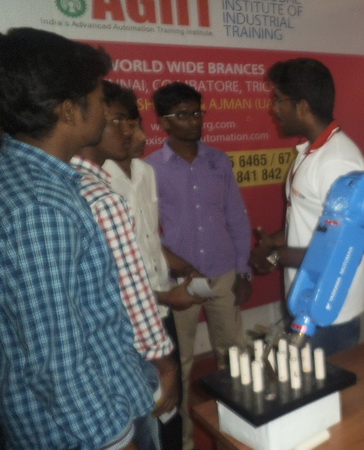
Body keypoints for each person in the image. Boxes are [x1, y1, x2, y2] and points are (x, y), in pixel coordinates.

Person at [0, 27, 151, 449]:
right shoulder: (40, 208)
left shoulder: (32, 180)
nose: (104, 111)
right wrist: (114, 440)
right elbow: (57, 360)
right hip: (85, 431)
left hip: (104, 399)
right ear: (69, 110)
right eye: (100, 99)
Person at [145, 81, 252, 450]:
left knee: (233, 357)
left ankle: (237, 432)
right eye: (183, 115)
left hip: (223, 272)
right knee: (183, 364)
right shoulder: (151, 168)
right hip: (181, 283)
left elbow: (236, 216)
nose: (194, 121)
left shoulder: (218, 161)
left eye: (197, 112)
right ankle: (186, 442)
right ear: (164, 122)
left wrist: (243, 271)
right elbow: (147, 231)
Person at [103, 85, 208, 450]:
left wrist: (185, 267)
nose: (136, 133)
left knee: (170, 404)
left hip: (161, 312)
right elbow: (110, 271)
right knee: (146, 407)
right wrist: (164, 296)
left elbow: (150, 241)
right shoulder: (96, 184)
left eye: (135, 123)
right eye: (121, 123)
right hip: (129, 320)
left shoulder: (145, 172)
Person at [249, 58, 364, 355]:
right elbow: (313, 222)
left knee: (326, 384)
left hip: (330, 309)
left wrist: (275, 256)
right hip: (308, 299)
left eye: (279, 100)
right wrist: (274, 242)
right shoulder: (311, 152)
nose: (273, 109)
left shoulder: (337, 163)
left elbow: (341, 249)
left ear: (302, 106)